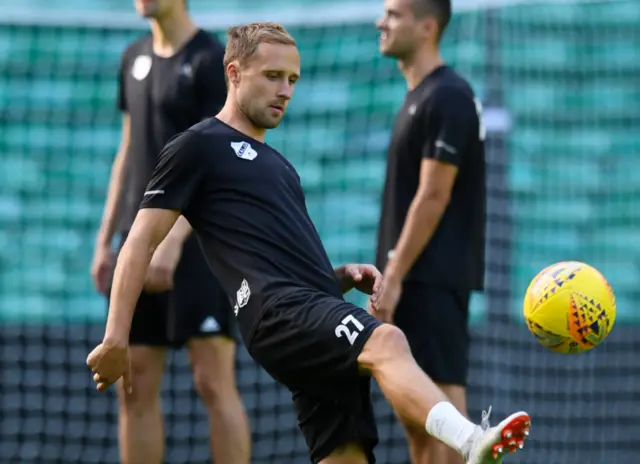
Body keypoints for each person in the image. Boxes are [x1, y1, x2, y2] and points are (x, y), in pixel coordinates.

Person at [86, 21, 531, 464]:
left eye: (293, 80)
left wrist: (336, 278)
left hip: (307, 305)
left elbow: (281, 259)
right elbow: (140, 242)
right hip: (276, 312)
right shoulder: (197, 145)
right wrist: (115, 338)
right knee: (388, 342)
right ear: (234, 73)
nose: (285, 91)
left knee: (347, 455)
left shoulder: (280, 166)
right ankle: (470, 440)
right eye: (273, 76)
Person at [88, 0, 250, 462]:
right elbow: (128, 150)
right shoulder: (132, 55)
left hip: (196, 245)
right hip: (136, 241)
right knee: (133, 383)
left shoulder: (208, 60)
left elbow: (215, 160)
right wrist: (105, 240)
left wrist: (173, 241)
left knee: (212, 381)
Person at [374, 0, 487, 463]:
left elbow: (434, 194)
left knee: (447, 422)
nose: (382, 22)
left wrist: (394, 275)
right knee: (421, 428)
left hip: (432, 278)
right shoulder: (419, 95)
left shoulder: (449, 95)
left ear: (427, 27)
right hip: (415, 276)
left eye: (394, 14)